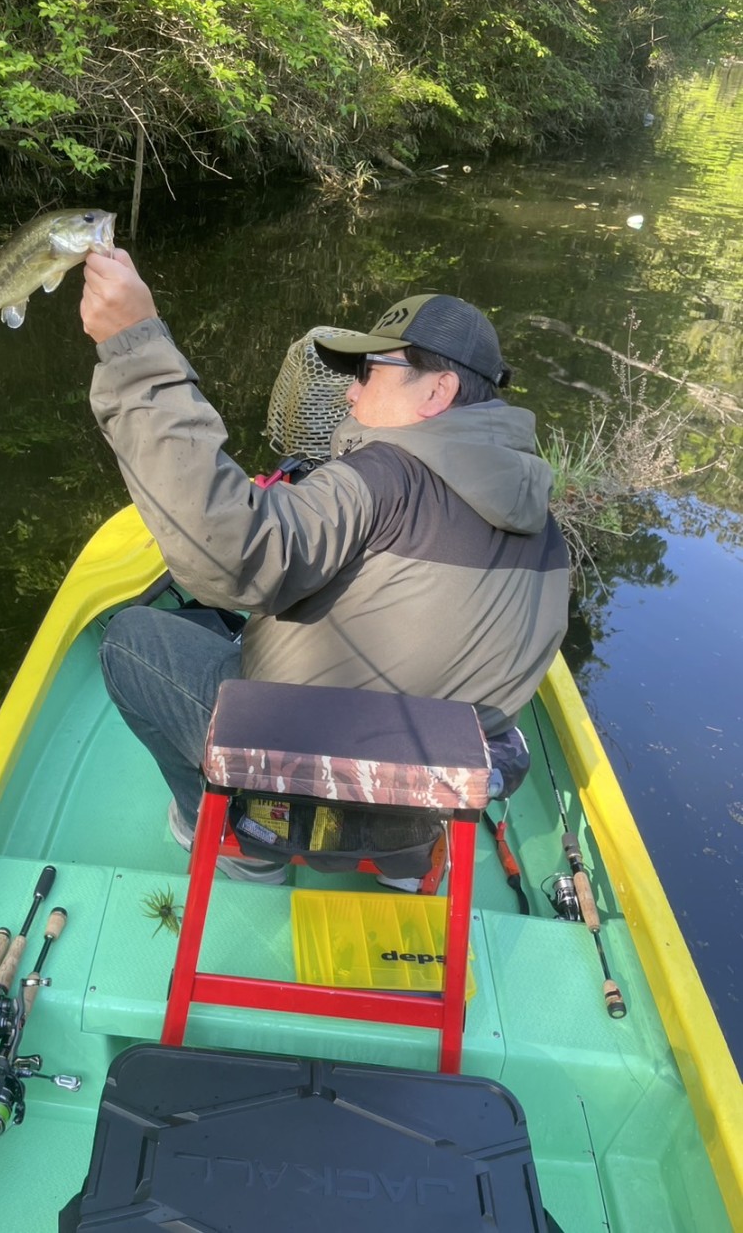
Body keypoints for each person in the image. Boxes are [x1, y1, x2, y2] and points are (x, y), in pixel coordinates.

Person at [80, 249, 570, 884]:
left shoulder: (383, 475)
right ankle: (404, 861)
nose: (351, 388)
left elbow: (227, 555)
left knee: (131, 639)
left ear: (438, 391)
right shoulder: (546, 531)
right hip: (420, 805)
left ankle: (243, 843)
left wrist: (133, 347)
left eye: (371, 371)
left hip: (298, 789)